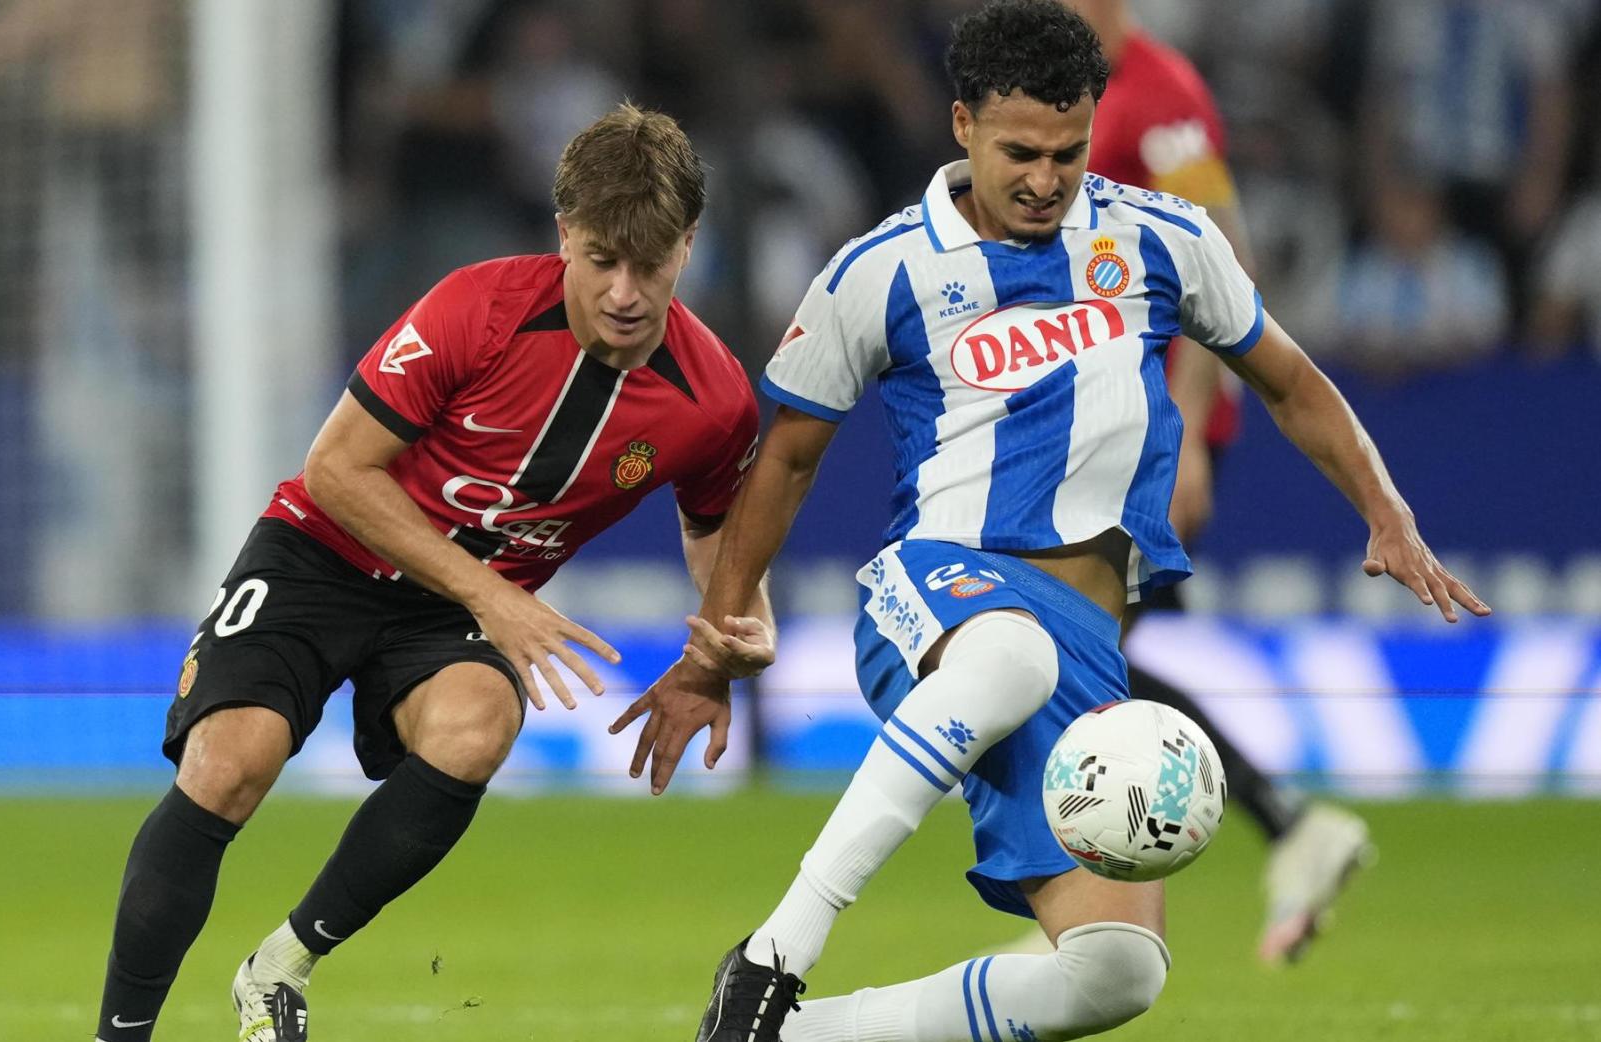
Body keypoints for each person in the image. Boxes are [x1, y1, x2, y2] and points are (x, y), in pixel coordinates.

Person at [614, 4, 1488, 1040]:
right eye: (1018, 153)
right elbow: (788, 459)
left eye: (1067, 153)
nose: (1044, 179)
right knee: (1009, 656)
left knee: (1116, 971)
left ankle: (789, 1036)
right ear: (962, 124)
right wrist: (712, 647)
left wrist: (1385, 510)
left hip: (1084, 649)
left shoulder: (1163, 238)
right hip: (940, 586)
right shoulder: (880, 269)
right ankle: (772, 957)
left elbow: (1291, 383)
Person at [91, 103, 767, 1042]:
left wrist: (726, 646)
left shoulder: (716, 400)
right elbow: (337, 468)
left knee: (478, 723)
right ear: (564, 233)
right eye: (602, 259)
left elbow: (716, 535)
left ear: (688, 245)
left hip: (446, 617)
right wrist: (493, 594)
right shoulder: (476, 310)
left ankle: (279, 968)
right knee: (230, 762)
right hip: (324, 554)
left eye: (650, 265)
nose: (624, 291)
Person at [1060, 0, 1375, 964]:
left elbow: (1224, 255)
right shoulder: (1072, 87)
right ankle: (1284, 828)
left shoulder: (1163, 97)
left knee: (1073, 655)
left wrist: (1189, 435)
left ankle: (1120, 908)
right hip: (1104, 418)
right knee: (1083, 659)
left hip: (1156, 424)